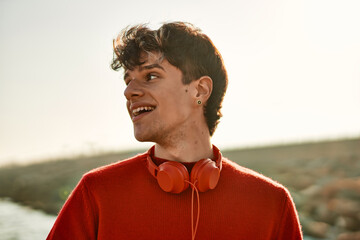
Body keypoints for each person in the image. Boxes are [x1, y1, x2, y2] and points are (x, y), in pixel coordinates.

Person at [47, 22, 303, 240]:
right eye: (128, 80)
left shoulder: (272, 203)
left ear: (200, 91)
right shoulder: (96, 193)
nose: (129, 91)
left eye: (151, 77)